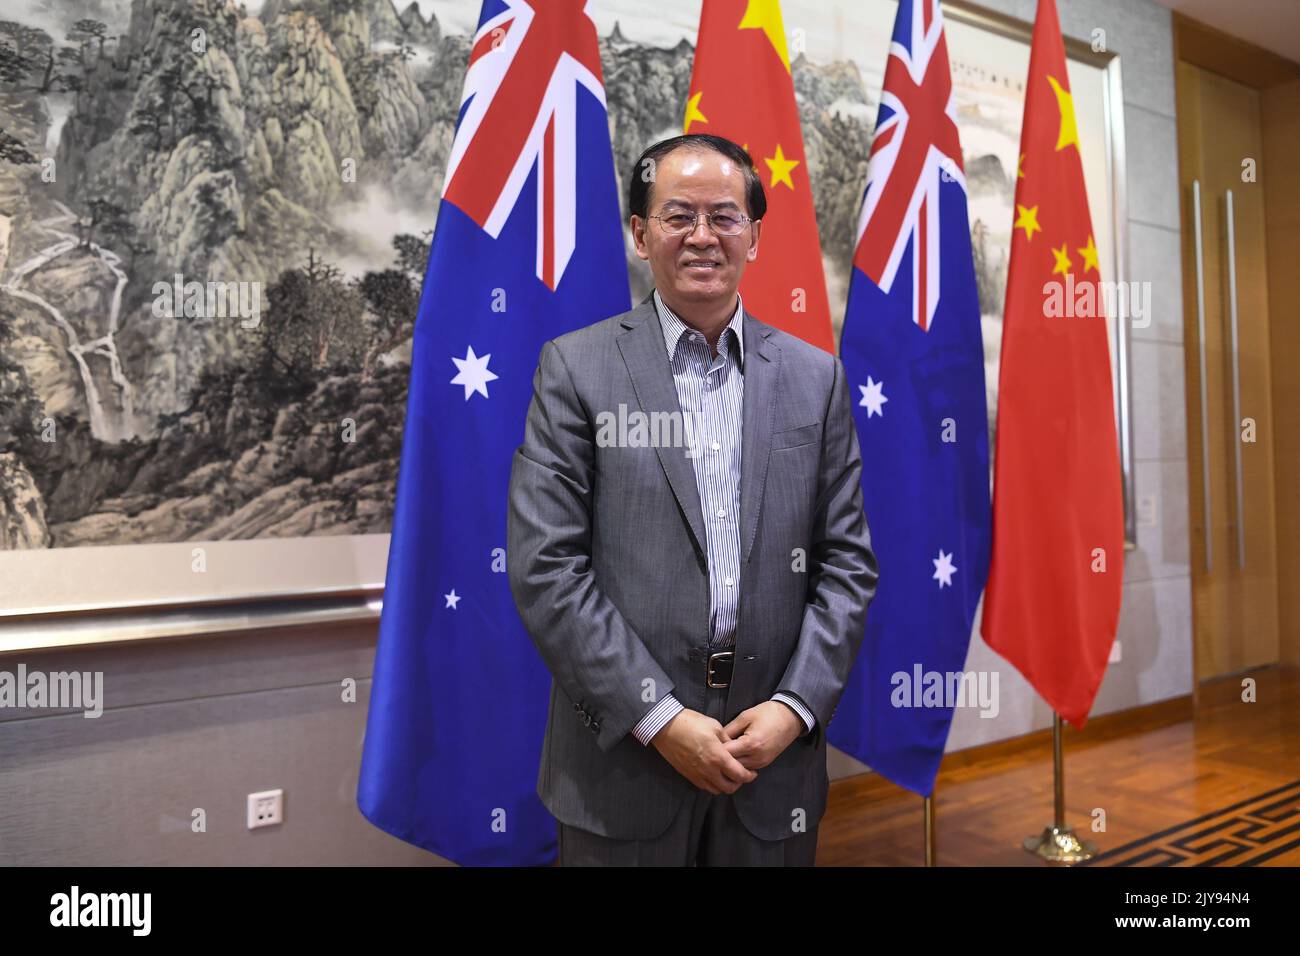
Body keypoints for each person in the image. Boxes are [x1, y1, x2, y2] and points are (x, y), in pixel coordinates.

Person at [506, 133, 878, 866]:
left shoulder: (815, 379)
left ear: (756, 236)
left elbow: (847, 566)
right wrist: (658, 716)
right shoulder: (576, 370)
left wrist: (793, 708)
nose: (703, 236)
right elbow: (546, 567)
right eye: (678, 217)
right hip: (624, 765)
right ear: (641, 235)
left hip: (771, 764)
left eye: (725, 216)